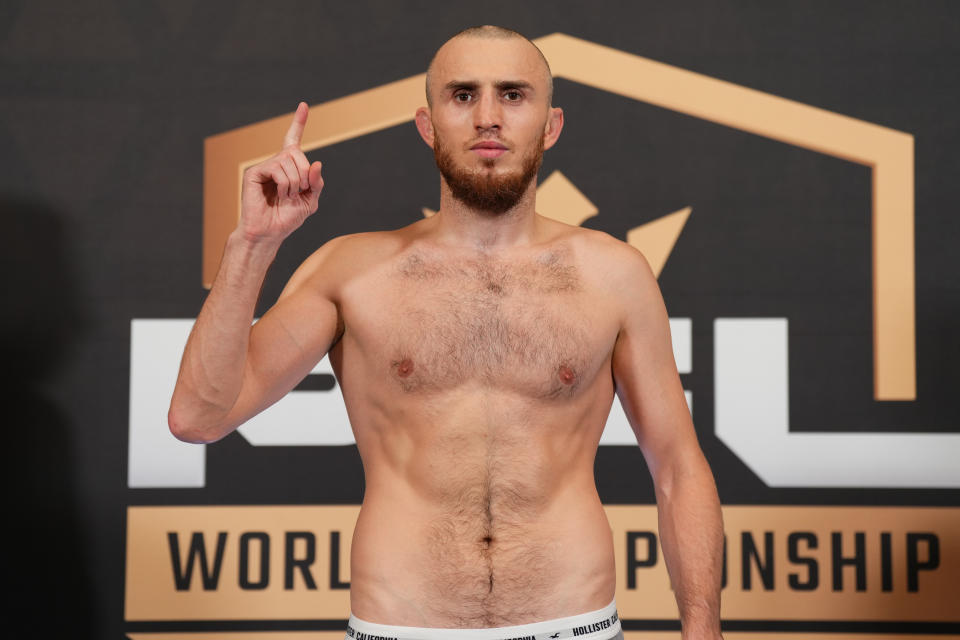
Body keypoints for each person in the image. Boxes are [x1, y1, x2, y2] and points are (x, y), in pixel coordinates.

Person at [169, 25, 723, 640]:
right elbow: (199, 417)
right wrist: (253, 245)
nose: (488, 117)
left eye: (513, 94)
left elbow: (678, 468)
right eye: (463, 95)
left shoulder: (615, 274)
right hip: (399, 627)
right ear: (427, 125)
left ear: (551, 124)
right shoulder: (351, 272)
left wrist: (703, 629)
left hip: (575, 623)